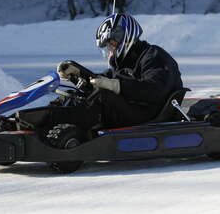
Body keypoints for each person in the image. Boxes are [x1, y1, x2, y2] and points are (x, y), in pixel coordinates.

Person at [45, 13, 183, 143]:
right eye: (107, 46)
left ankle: (68, 133)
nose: (110, 49)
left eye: (111, 43)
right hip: (132, 108)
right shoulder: (124, 62)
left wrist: (117, 86)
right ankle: (44, 121)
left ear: (125, 37)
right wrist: (78, 75)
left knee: (101, 96)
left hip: (149, 112)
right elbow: (102, 79)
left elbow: (153, 90)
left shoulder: (153, 56)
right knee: (73, 95)